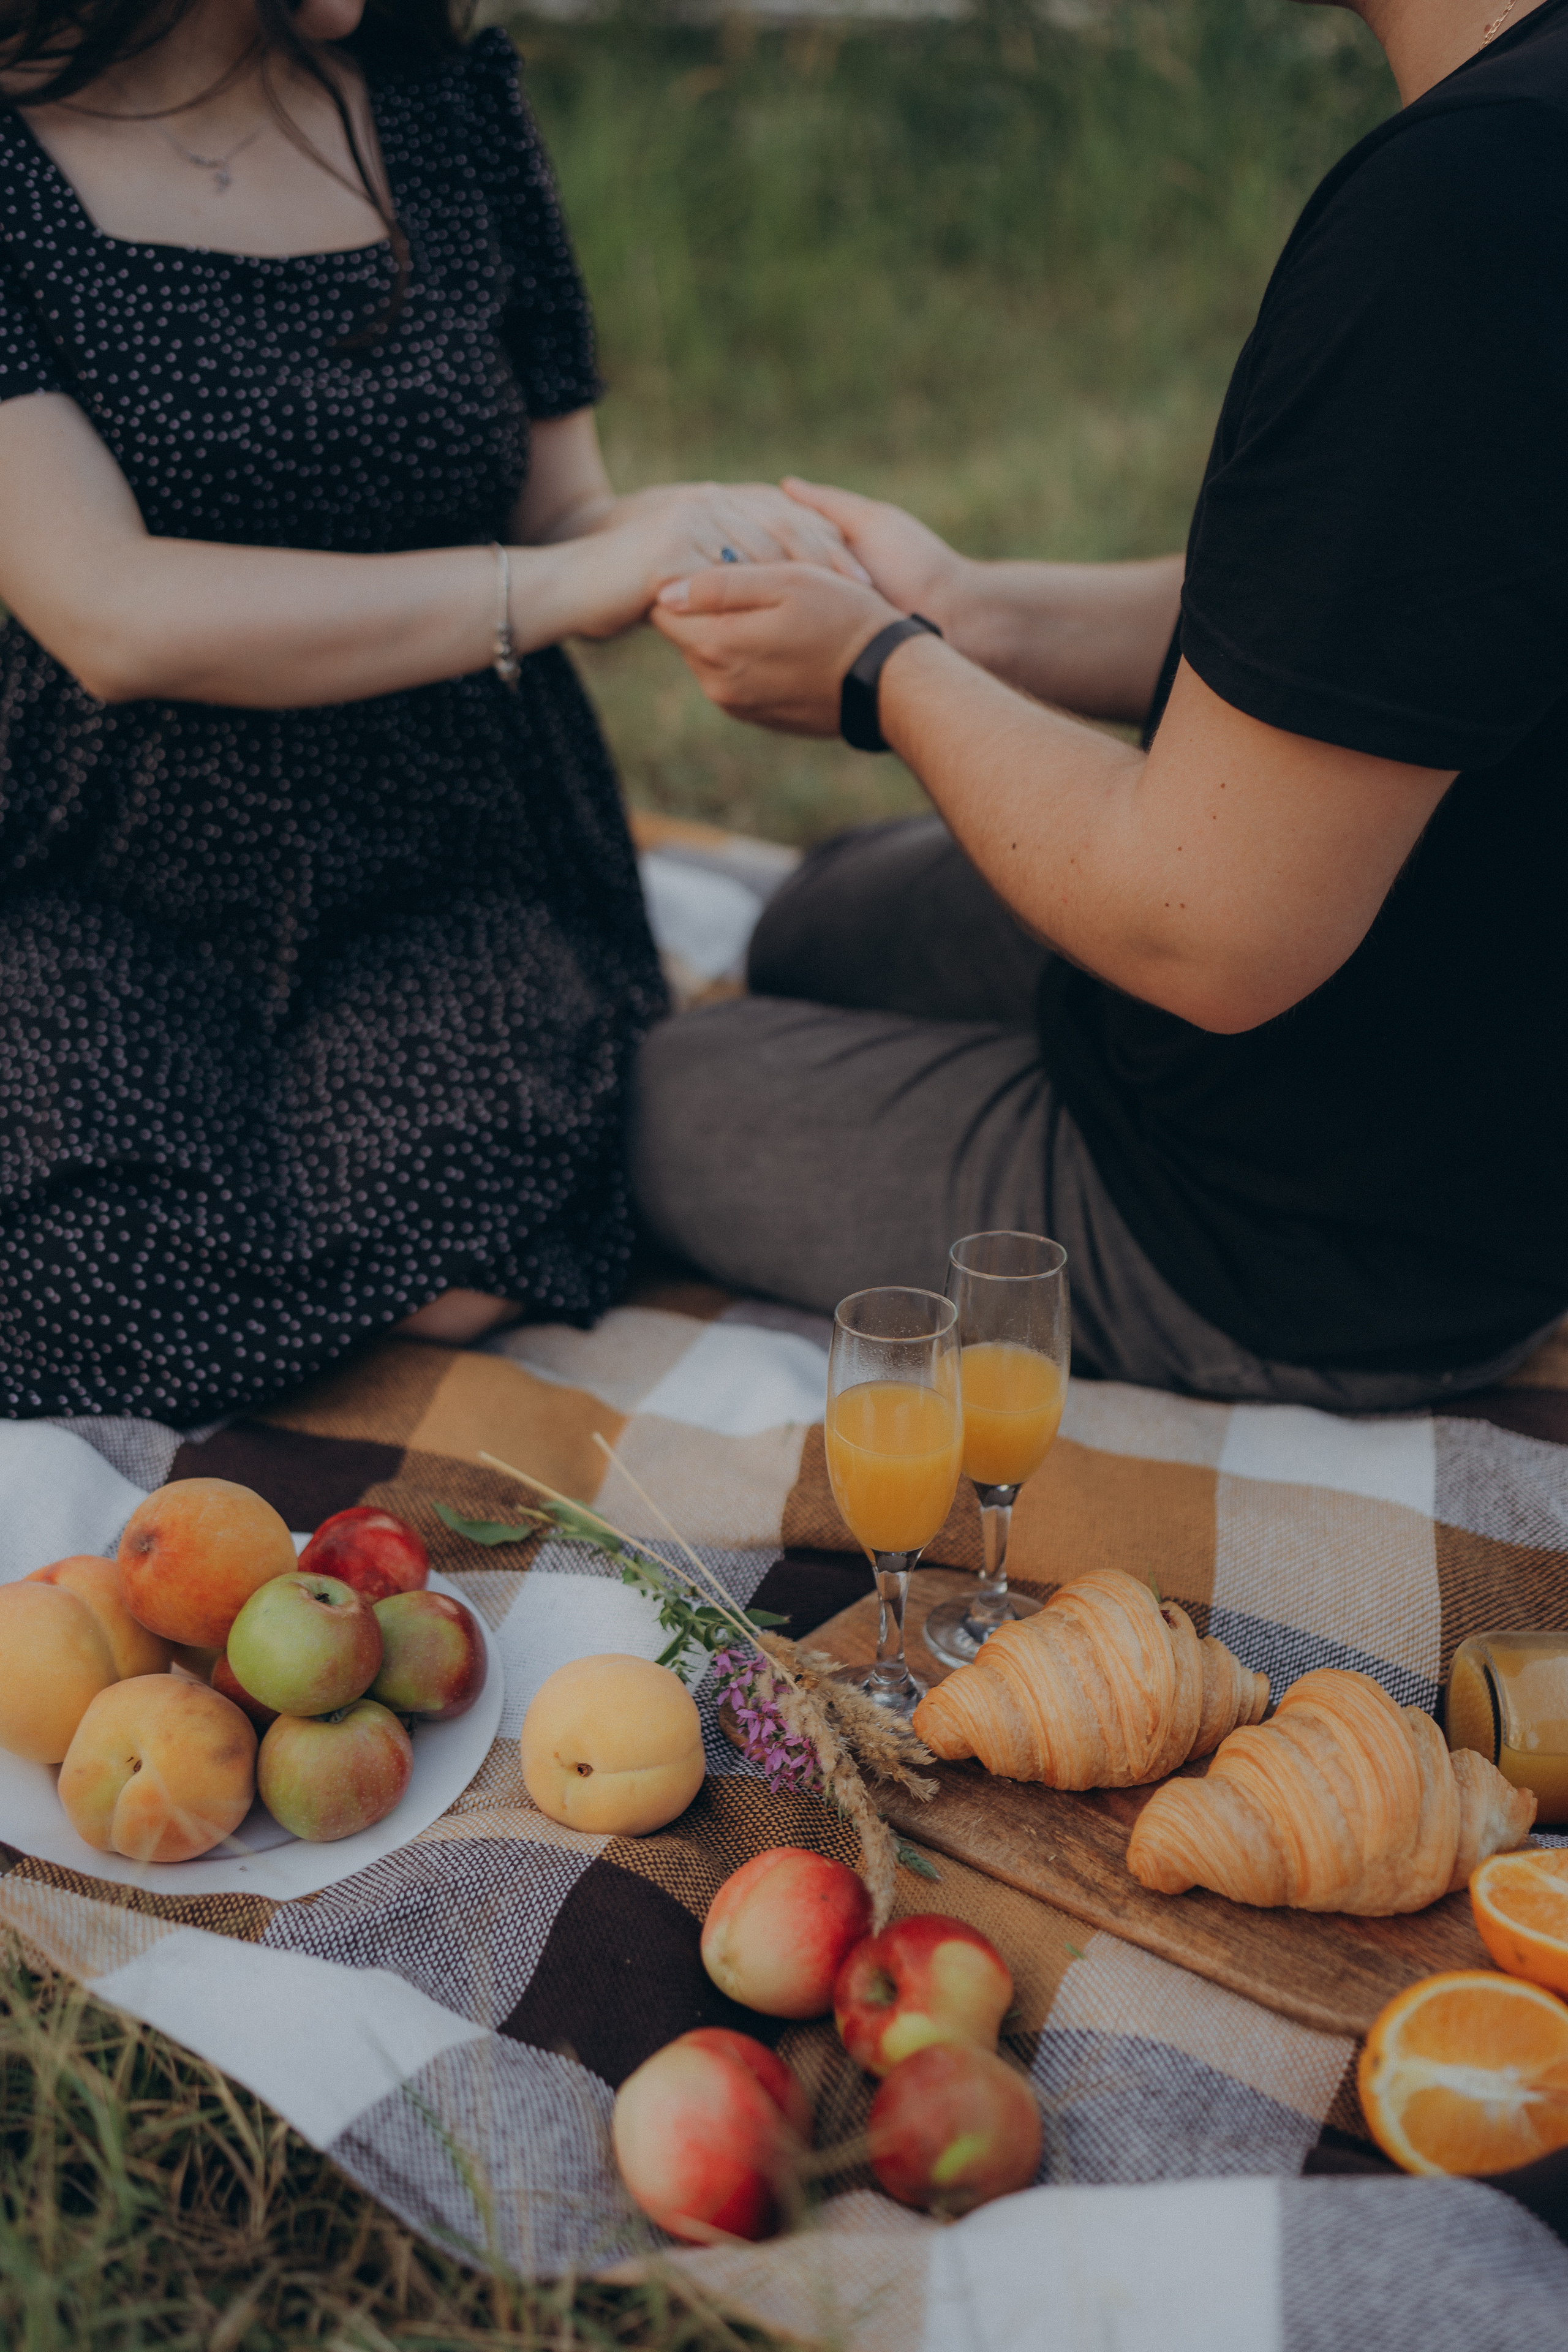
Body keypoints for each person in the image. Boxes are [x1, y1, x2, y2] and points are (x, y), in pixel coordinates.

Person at [635, 0, 1568, 1411]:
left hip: (1330, 1227)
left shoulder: (1466, 208)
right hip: (1453, 1001)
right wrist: (974, 608)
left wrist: (885, 673)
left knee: (659, 1091)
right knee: (816, 914)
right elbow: (1379, 600)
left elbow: (1207, 929)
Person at [0, 0, 861, 1424]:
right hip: (104, 854)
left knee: (469, 1233)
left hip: (446, 833)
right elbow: (110, 613)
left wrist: (728, 532)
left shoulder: (443, 105)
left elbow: (568, 511)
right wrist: (554, 584)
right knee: (77, 1249)